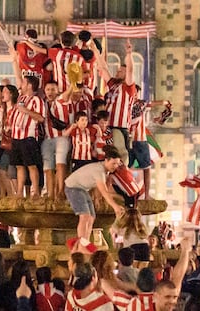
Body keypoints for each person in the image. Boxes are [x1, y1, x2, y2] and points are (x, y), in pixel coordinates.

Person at [64, 145, 124, 254]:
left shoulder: (104, 170)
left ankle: (84, 242)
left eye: (117, 164)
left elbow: (99, 188)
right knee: (85, 216)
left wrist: (97, 198)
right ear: (106, 160)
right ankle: (82, 245)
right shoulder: (99, 170)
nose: (115, 166)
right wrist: (115, 206)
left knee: (91, 217)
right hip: (73, 187)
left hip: (82, 189)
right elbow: (104, 191)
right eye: (113, 163)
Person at [91, 38, 136, 166]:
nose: (117, 72)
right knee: (109, 157)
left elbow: (131, 70)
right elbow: (103, 69)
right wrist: (95, 50)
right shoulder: (113, 85)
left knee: (121, 155)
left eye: (121, 71)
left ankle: (124, 177)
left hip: (119, 127)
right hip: (109, 127)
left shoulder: (128, 87)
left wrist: (129, 54)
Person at [9, 75, 45, 198]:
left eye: (23, 82)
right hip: (16, 136)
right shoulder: (21, 98)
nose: (21, 85)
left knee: (31, 165)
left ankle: (35, 192)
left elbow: (40, 118)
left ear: (29, 85)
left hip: (28, 137)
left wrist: (25, 111)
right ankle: (19, 192)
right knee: (19, 165)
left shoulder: (37, 100)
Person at [41, 80, 72, 201]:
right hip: (48, 138)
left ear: (58, 91)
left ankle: (60, 191)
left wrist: (72, 82)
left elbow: (67, 93)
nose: (50, 92)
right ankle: (50, 194)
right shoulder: (42, 103)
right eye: (48, 89)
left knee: (60, 164)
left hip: (61, 137)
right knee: (48, 168)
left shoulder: (60, 101)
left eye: (53, 89)